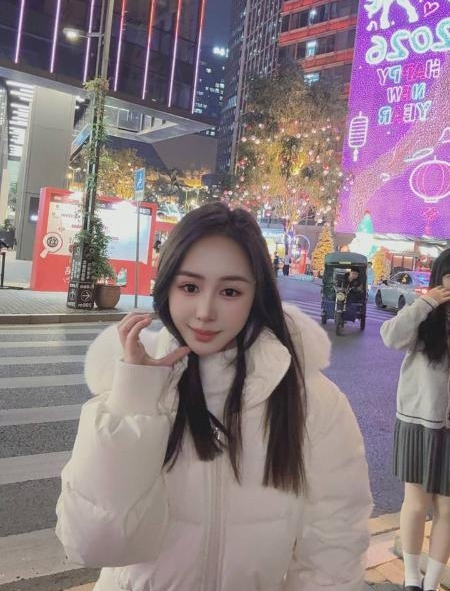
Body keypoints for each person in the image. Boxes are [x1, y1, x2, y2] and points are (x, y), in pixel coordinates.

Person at [56, 203, 372, 591]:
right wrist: (134, 396)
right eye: (189, 287)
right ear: (167, 286)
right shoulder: (132, 387)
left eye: (230, 291)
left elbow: (333, 551)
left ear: (256, 295)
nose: (205, 312)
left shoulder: (310, 400)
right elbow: (91, 543)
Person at [380, 249, 450, 591]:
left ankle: (431, 583)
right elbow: (390, 337)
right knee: (417, 503)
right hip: (418, 421)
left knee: (447, 510)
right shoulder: (424, 317)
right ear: (440, 278)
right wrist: (426, 303)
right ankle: (411, 580)